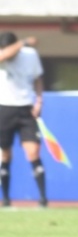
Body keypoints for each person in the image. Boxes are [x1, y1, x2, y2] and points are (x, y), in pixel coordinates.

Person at [0, 33, 46, 208]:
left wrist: (39, 100)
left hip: (26, 108)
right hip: (4, 108)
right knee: (5, 154)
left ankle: (43, 199)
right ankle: (5, 200)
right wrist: (23, 42)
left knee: (33, 152)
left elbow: (38, 78)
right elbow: (4, 56)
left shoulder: (29, 54)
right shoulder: (5, 54)